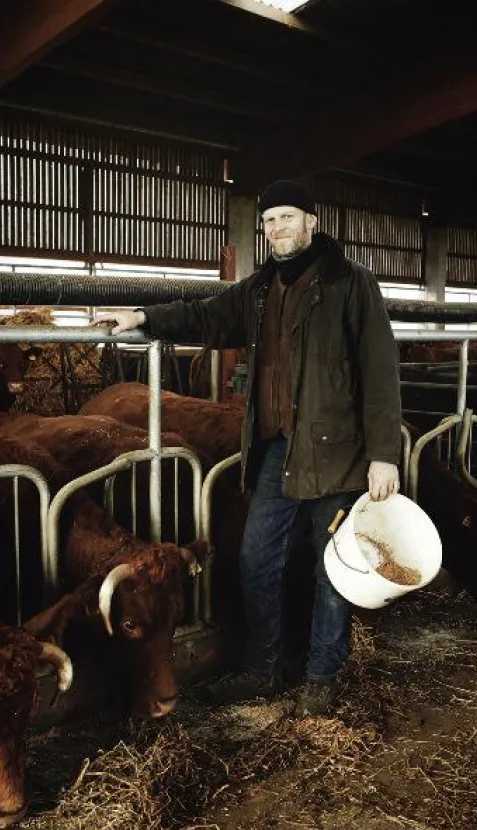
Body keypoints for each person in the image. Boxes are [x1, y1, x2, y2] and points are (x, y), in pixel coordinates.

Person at [93, 180, 401, 717]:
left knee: (335, 567)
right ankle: (263, 669)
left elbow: (380, 370)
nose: (277, 228)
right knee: (256, 558)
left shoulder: (352, 285)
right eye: (270, 221)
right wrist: (142, 317)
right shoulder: (260, 290)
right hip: (277, 449)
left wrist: (384, 454)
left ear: (312, 221)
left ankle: (322, 676)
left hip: (338, 454)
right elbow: (205, 314)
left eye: (287, 217)